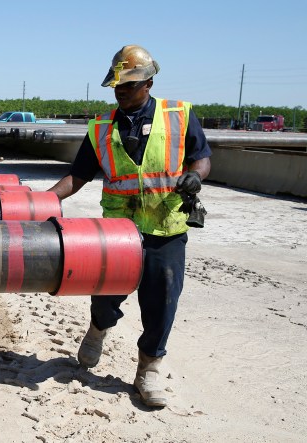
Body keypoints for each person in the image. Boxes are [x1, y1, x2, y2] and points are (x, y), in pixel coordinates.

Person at [47, 45, 212, 408]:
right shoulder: (102, 127)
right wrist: (44, 200)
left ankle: (149, 368)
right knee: (105, 294)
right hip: (118, 231)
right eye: (117, 86)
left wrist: (195, 179)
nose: (120, 91)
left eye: (128, 85)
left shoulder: (180, 116)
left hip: (165, 227)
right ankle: (98, 328)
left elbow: (201, 159)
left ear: (149, 82)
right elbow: (79, 175)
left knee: (161, 301)